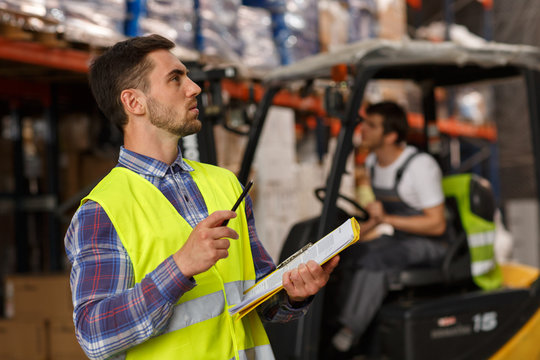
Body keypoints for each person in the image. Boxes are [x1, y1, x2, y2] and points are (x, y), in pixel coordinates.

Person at [64, 34, 339, 360]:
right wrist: (179, 267)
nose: (194, 88)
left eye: (188, 76)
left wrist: (293, 295)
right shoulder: (103, 210)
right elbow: (95, 336)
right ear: (134, 102)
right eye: (175, 79)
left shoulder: (225, 184)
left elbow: (259, 302)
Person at [331, 101, 447, 353]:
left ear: (391, 135)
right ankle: (335, 322)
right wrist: (366, 227)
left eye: (372, 126)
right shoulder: (373, 162)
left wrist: (386, 220)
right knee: (349, 255)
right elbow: (381, 214)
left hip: (432, 245)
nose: (364, 130)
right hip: (401, 238)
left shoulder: (419, 166)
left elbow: (437, 225)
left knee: (377, 257)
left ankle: (349, 333)